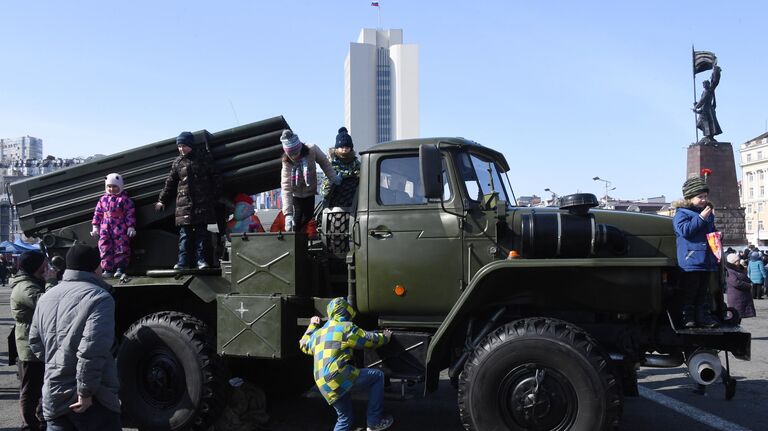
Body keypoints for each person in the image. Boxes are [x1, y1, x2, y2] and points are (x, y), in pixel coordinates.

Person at [29, 244, 121, 431]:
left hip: (54, 393)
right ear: (96, 267)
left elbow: (35, 342)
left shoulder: (46, 297)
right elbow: (92, 350)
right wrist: (85, 392)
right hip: (92, 399)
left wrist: (59, 362)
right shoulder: (100, 298)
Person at [299, 297, 394, 431]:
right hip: (338, 376)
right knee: (377, 377)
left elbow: (303, 344)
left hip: (323, 383)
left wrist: (312, 325)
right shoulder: (345, 328)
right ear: (346, 312)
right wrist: (385, 337)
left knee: (344, 419)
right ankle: (374, 422)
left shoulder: (319, 333)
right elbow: (366, 339)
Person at [156, 131, 223, 269]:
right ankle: (182, 262)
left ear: (191, 144)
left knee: (202, 236)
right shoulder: (178, 162)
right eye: (179, 146)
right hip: (184, 205)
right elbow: (170, 182)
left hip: (202, 204)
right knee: (184, 237)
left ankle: (201, 261)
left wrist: (213, 196)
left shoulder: (203, 158)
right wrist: (162, 200)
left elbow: (216, 177)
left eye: (184, 145)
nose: (181, 149)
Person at [10, 251, 56, 431]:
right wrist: (51, 281)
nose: (47, 265)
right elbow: (48, 304)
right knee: (29, 389)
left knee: (39, 386)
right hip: (29, 346)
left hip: (36, 342)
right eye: (44, 263)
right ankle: (28, 425)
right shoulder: (25, 287)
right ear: (36, 266)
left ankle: (39, 418)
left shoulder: (32, 282)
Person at [673, 176, 718, 328]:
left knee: (703, 292)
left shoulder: (707, 213)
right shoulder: (682, 213)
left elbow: (709, 232)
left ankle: (702, 317)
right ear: (689, 197)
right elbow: (685, 231)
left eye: (705, 196)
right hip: (691, 259)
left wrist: (717, 235)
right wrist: (700, 218)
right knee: (690, 291)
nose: (704, 200)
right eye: (700, 197)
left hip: (706, 259)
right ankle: (688, 318)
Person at [280, 129, 340, 232]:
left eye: (296, 153)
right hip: (296, 194)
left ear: (300, 148)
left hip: (309, 192)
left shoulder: (312, 149)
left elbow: (325, 163)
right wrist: (288, 214)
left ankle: (301, 237)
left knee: (308, 216)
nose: (295, 156)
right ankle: (296, 241)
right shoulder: (287, 162)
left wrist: (334, 178)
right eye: (291, 155)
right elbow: (286, 187)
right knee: (296, 220)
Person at [91, 173, 136, 278]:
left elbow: (130, 213)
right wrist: (95, 226)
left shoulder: (125, 200)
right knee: (105, 247)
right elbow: (97, 213)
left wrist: (131, 226)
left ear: (120, 186)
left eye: (115, 186)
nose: (111, 189)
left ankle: (120, 267)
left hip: (120, 227)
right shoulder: (103, 199)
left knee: (121, 246)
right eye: (109, 186)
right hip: (105, 228)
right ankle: (107, 269)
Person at [322, 127, 361, 208]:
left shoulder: (354, 161)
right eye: (342, 147)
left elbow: (363, 171)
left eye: (347, 147)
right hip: (334, 191)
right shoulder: (331, 161)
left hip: (351, 193)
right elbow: (328, 178)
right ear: (337, 148)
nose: (344, 149)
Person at [693, 65, 722, 143]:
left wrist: (696, 106)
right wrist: (697, 104)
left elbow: (703, 100)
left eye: (704, 84)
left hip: (707, 110)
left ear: (707, 84)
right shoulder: (705, 91)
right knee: (703, 123)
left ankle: (709, 137)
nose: (703, 86)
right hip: (705, 110)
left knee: (707, 123)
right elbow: (702, 100)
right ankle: (708, 137)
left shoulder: (709, 90)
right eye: (703, 85)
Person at [725, 253, 756, 319]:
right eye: (737, 261)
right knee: (735, 316)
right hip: (736, 297)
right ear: (733, 262)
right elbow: (735, 283)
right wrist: (748, 285)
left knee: (739, 316)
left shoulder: (739, 269)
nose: (739, 262)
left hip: (741, 296)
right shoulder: (730, 271)